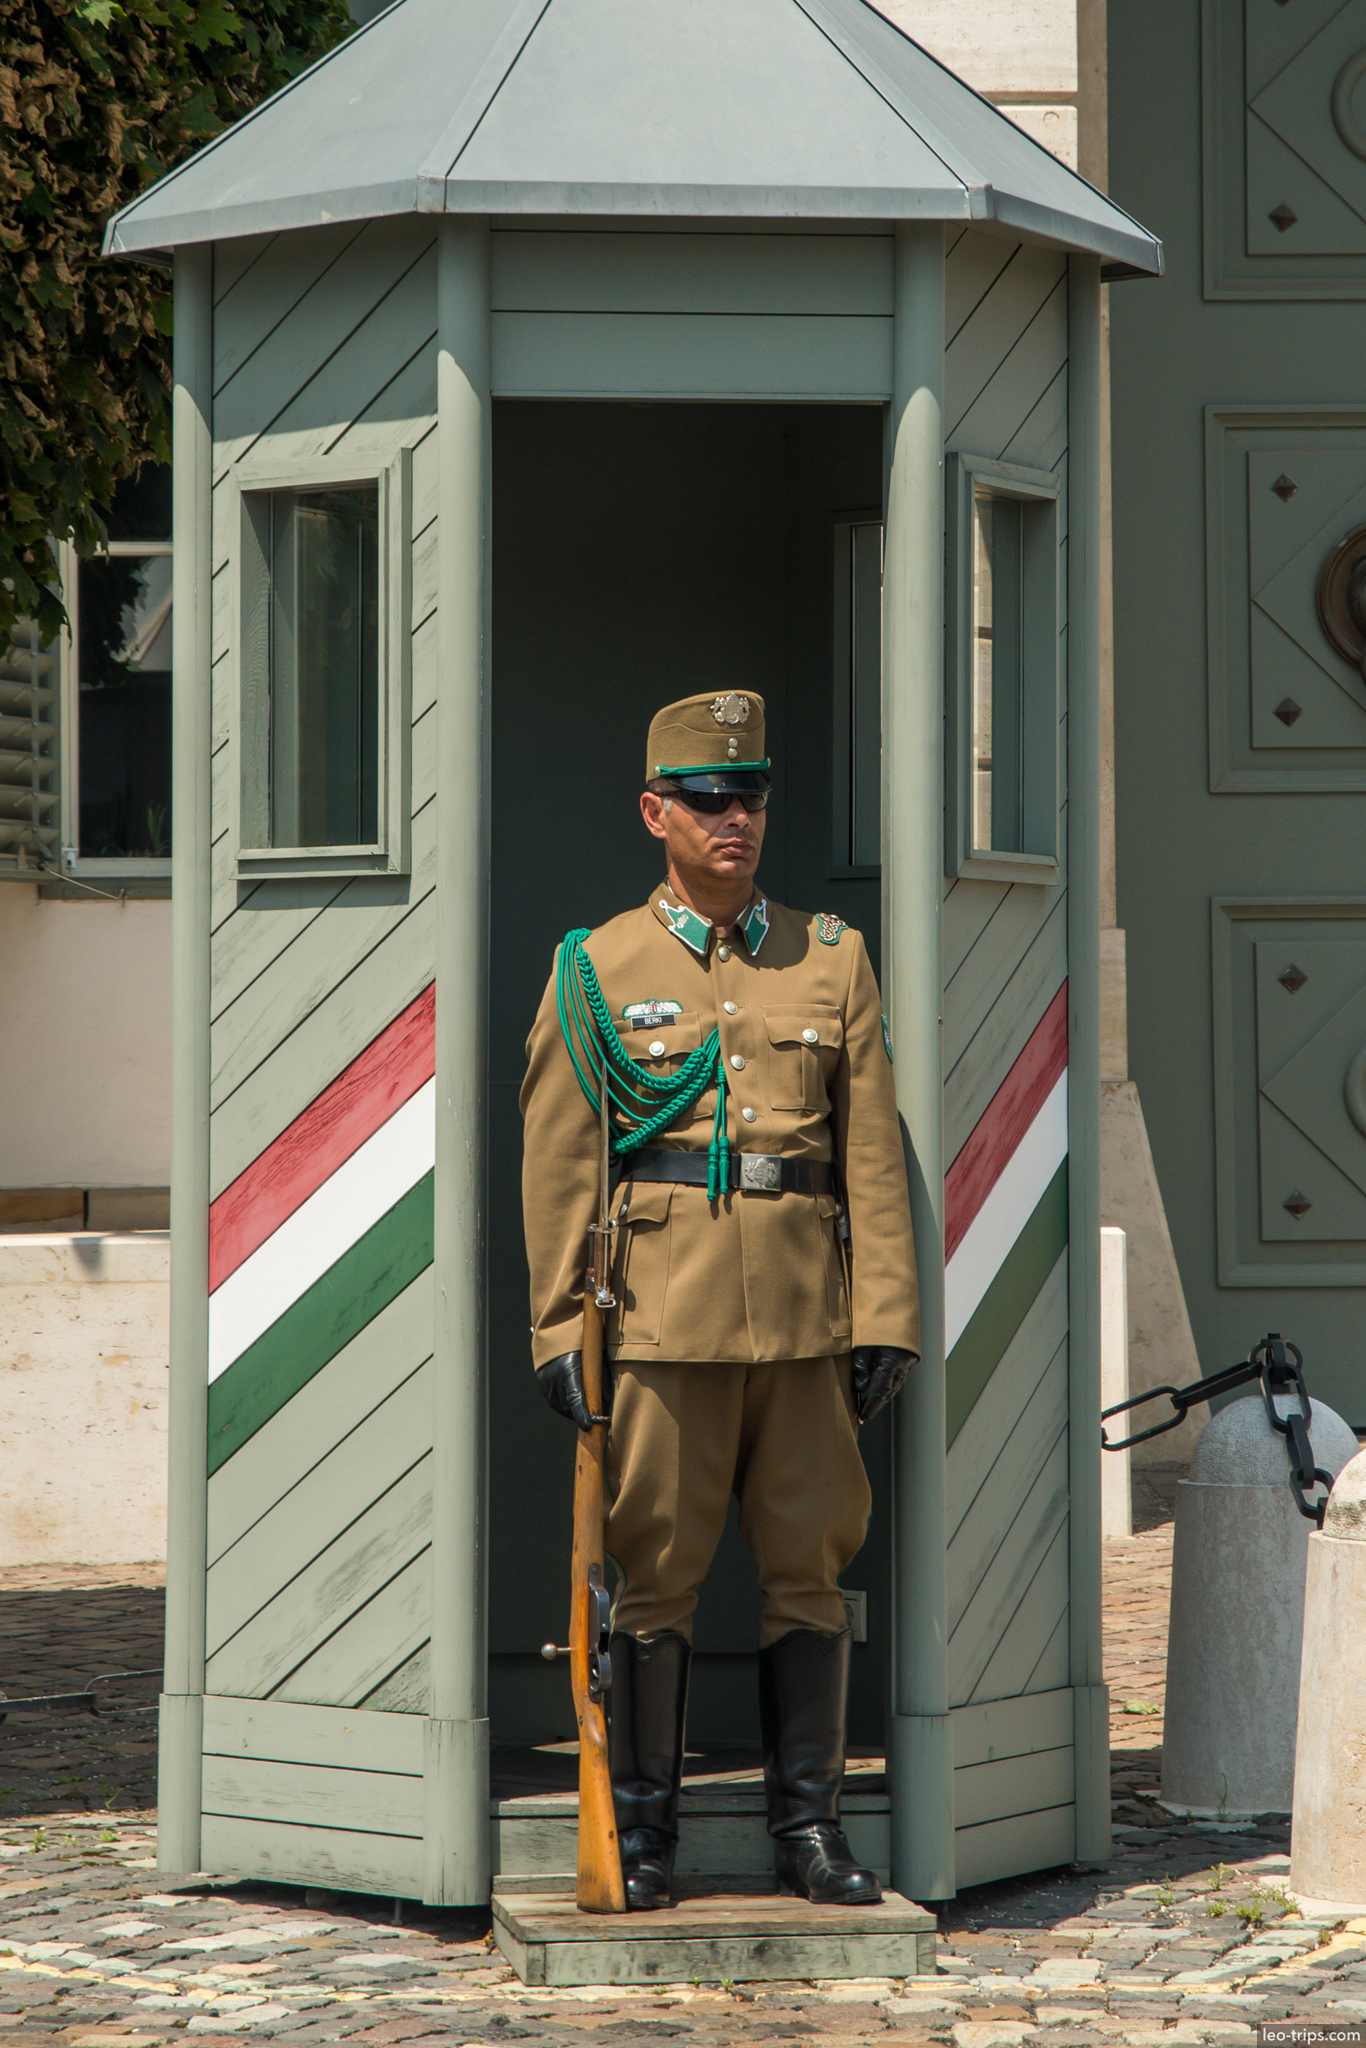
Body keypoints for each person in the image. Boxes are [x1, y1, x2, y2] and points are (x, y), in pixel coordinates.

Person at [520, 689, 919, 1911]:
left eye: (747, 796)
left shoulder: (830, 958)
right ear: (656, 813)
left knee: (809, 1569)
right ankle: (642, 1838)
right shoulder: (596, 966)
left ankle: (812, 1832)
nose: (732, 817)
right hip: (659, 1317)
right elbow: (558, 1156)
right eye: (705, 799)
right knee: (653, 1577)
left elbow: (869, 1155)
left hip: (803, 1321)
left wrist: (885, 1313)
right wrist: (556, 1328)